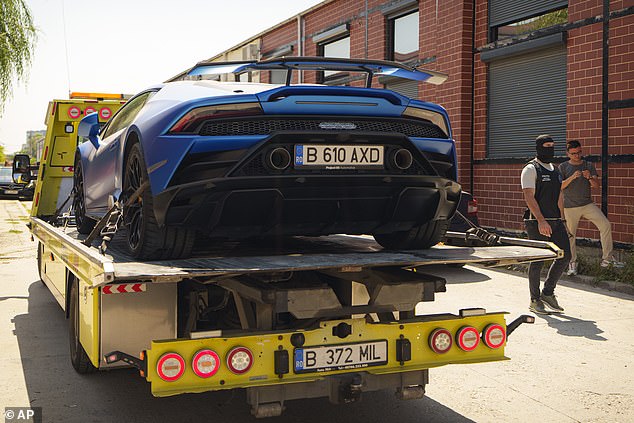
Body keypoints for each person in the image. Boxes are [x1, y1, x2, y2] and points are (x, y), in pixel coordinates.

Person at [520, 135, 571, 314]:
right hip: (536, 222)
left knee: (565, 256)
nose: (550, 149)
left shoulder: (556, 170)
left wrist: (563, 220)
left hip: (556, 221)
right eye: (546, 146)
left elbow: (559, 196)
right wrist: (541, 220)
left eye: (552, 146)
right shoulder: (530, 169)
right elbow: (528, 196)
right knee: (538, 260)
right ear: (538, 147)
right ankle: (535, 300)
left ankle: (548, 293)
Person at [559, 140, 623, 275]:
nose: (577, 156)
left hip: (587, 204)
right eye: (574, 153)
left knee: (605, 225)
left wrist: (589, 177)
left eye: (579, 152)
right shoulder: (563, 167)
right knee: (570, 236)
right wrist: (571, 178)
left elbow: (596, 185)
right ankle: (572, 263)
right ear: (568, 154)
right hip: (570, 207)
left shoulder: (588, 165)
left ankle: (607, 259)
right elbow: (560, 186)